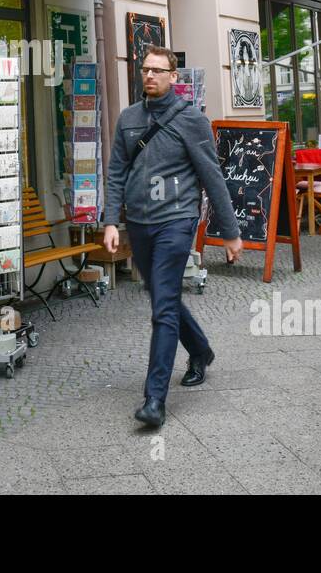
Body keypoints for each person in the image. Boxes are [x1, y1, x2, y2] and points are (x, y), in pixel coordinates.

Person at [102, 45, 241, 428]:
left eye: (158, 71)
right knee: (162, 295)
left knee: (162, 307)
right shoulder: (129, 118)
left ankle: (154, 400)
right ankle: (200, 350)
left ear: (173, 77)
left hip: (177, 221)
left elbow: (212, 177)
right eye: (145, 69)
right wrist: (111, 221)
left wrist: (230, 233)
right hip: (140, 224)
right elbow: (115, 172)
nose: (149, 76)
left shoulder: (191, 120)